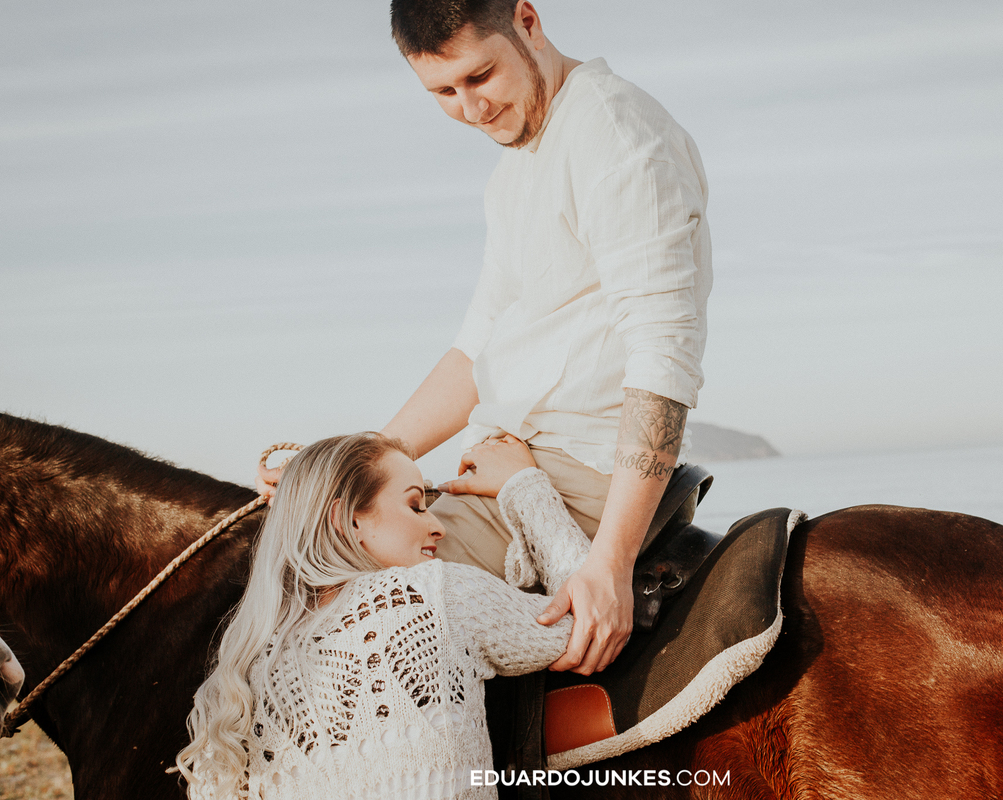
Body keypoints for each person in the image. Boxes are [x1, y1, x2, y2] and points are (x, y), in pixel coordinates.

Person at [259, 0, 710, 676]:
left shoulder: (613, 133)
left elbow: (662, 354)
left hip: (580, 474)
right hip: (502, 468)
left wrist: (610, 562)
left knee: (327, 614)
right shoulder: (515, 169)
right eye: (443, 92)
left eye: (480, 76)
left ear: (527, 22)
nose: (471, 109)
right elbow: (478, 348)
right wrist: (357, 463)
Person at [182, 432, 591, 799]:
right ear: (348, 520)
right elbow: (589, 623)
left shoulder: (241, 674)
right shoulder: (433, 594)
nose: (438, 526)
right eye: (416, 505)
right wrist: (523, 485)